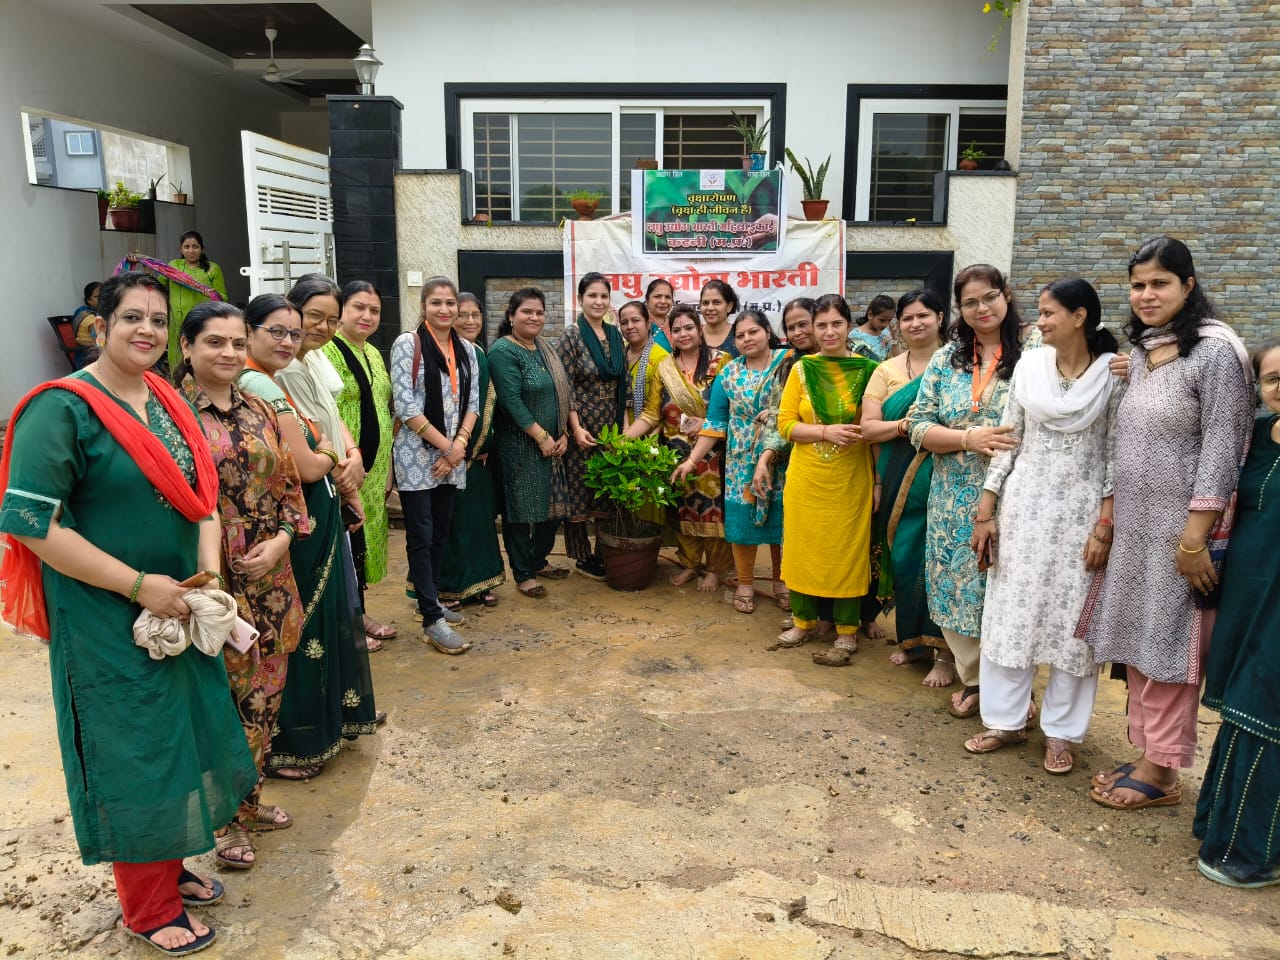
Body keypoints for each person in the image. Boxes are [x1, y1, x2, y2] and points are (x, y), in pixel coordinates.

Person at [0, 271, 254, 955]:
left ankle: (169, 868)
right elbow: (28, 521)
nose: (146, 329)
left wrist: (205, 579)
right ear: (98, 327)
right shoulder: (63, 410)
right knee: (135, 752)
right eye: (130, 318)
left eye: (156, 320)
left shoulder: (165, 398)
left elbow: (201, 495)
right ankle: (147, 908)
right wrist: (140, 585)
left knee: (180, 738)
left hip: (178, 605)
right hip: (105, 614)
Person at [1087, 236, 1254, 810]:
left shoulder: (1215, 350)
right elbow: (1122, 441)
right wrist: (1109, 520)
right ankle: (1148, 754)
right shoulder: (1144, 352)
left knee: (1169, 647)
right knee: (1140, 644)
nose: (1146, 294)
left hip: (1183, 535)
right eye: (1138, 285)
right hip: (1137, 530)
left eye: (1159, 283)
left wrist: (1194, 538)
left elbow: (1222, 445)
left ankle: (1160, 772)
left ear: (1188, 285)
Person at [965, 278, 1123, 773]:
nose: (1040, 321)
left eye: (1050, 312)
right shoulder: (1029, 368)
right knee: (1012, 613)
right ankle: (1005, 722)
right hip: (1023, 511)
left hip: (1081, 517)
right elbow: (1008, 441)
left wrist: (1105, 525)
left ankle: (1061, 733)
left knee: (1074, 626)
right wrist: (986, 510)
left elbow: (1117, 458)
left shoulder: (1113, 377)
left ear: (1080, 317)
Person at [176, 300, 308, 866]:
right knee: (223, 702)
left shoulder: (259, 407)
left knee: (264, 695)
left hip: (272, 576)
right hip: (212, 581)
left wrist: (281, 538)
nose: (227, 353)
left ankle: (248, 801)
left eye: (235, 343)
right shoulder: (171, 415)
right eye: (214, 342)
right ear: (186, 347)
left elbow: (289, 488)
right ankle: (225, 818)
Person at [241, 283, 379, 780]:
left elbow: (323, 430)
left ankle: (327, 725)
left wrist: (338, 455)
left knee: (320, 626)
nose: (289, 341)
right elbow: (306, 462)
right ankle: (295, 741)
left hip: (311, 522)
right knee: (297, 635)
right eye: (276, 331)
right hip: (292, 530)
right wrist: (329, 457)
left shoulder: (276, 378)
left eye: (292, 333)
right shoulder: (259, 385)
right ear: (247, 332)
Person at [907, 264, 1023, 718]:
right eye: (970, 302)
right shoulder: (948, 357)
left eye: (989, 297)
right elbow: (918, 424)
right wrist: (966, 439)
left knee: (1005, 587)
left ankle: (1013, 686)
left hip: (1015, 492)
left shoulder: (1036, 351)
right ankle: (974, 680)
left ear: (1007, 296)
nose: (982, 308)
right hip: (951, 492)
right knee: (956, 587)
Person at [1194, 339, 1280, 887]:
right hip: (1248, 599)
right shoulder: (1259, 440)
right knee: (1244, 710)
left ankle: (1257, 853)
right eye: (1272, 379)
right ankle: (1219, 827)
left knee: (1266, 710)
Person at [765, 295, 878, 662]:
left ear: (848, 325)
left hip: (851, 477)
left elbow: (874, 429)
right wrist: (825, 431)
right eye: (821, 325)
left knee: (846, 550)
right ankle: (803, 622)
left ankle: (847, 630)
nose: (829, 332)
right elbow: (784, 425)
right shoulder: (801, 369)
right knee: (802, 548)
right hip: (807, 476)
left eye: (836, 324)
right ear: (813, 329)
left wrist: (878, 483)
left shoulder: (869, 370)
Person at [860, 290, 951, 685]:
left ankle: (946, 655)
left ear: (940, 318)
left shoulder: (960, 364)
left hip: (950, 471)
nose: (915, 323)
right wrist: (907, 427)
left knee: (945, 557)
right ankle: (912, 639)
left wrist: (929, 430)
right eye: (908, 317)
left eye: (923, 316)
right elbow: (868, 429)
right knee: (907, 553)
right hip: (900, 473)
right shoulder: (887, 370)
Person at [674, 309, 789, 611]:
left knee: (782, 524)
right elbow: (715, 422)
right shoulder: (729, 373)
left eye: (753, 331)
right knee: (741, 527)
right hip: (741, 464)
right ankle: (746, 583)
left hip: (783, 458)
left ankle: (782, 582)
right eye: (740, 335)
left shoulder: (788, 363)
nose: (747, 338)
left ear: (767, 331)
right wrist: (691, 461)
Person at [391, 277, 480, 653]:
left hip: (451, 455)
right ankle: (431, 618)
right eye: (436, 303)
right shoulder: (407, 344)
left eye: (450, 303)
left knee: (441, 532)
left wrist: (458, 447)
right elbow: (405, 404)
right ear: (423, 306)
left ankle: (433, 600)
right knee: (421, 535)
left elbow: (472, 403)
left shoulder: (468, 350)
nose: (444, 310)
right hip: (416, 456)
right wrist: (448, 448)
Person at [631, 304, 732, 589]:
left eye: (689, 327)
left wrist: (707, 424)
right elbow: (651, 413)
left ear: (700, 330)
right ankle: (689, 563)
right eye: (676, 330)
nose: (683, 334)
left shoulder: (721, 361)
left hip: (714, 450)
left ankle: (715, 569)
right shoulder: (664, 367)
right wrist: (625, 440)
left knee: (713, 511)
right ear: (670, 335)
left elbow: (729, 408)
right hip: (674, 450)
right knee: (681, 510)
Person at [323, 280, 396, 645]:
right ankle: (347, 623)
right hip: (344, 466)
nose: (367, 316)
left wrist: (388, 470)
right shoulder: (327, 352)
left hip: (375, 469)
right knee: (345, 544)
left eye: (374, 310)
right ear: (341, 310)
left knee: (362, 546)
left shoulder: (372, 353)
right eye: (358, 307)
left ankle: (359, 613)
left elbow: (384, 407)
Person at [489, 287, 573, 598]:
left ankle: (538, 561)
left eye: (539, 312)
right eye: (527, 311)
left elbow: (560, 392)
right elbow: (511, 400)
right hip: (519, 446)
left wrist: (562, 434)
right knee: (522, 510)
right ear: (511, 316)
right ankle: (523, 572)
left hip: (554, 445)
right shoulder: (503, 351)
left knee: (553, 511)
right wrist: (541, 436)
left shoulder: (544, 348)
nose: (534, 317)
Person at [438, 293, 506, 608]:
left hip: (478, 457)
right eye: (462, 314)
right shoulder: (442, 352)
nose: (469, 321)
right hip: (450, 454)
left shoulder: (479, 352)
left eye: (475, 315)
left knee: (479, 522)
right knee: (452, 524)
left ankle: (480, 584)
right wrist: (459, 451)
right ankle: (448, 588)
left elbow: (486, 405)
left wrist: (482, 446)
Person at [559, 272, 627, 580]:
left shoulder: (615, 335)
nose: (598, 301)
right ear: (580, 300)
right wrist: (574, 428)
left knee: (607, 491)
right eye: (592, 296)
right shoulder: (571, 335)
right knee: (580, 493)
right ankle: (582, 557)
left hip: (609, 426)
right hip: (580, 427)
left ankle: (604, 553)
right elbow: (566, 386)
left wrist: (621, 429)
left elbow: (621, 385)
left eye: (603, 296)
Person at [165, 231, 227, 371]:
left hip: (200, 322)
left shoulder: (212, 269)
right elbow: (158, 284)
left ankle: (199, 389)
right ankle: (177, 390)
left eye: (195, 246)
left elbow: (223, 297)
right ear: (180, 249)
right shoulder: (173, 266)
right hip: (176, 323)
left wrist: (211, 293)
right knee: (177, 358)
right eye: (186, 247)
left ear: (202, 249)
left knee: (199, 354)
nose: (191, 251)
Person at [699, 279, 740, 358]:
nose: (710, 308)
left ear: (729, 306)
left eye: (716, 302)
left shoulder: (739, 334)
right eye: (705, 303)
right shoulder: (693, 334)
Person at [849, 293, 896, 360]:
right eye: (882, 320)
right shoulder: (855, 335)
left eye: (889, 320)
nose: (886, 324)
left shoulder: (886, 333)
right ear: (870, 315)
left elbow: (896, 356)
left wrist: (894, 337)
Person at [71, 280, 101, 368]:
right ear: (89, 300)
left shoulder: (100, 313)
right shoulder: (86, 315)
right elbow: (100, 337)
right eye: (97, 297)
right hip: (88, 360)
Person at [645, 278, 676, 350]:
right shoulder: (641, 324)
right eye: (657, 296)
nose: (663, 301)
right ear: (647, 300)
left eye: (668, 297)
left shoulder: (676, 324)